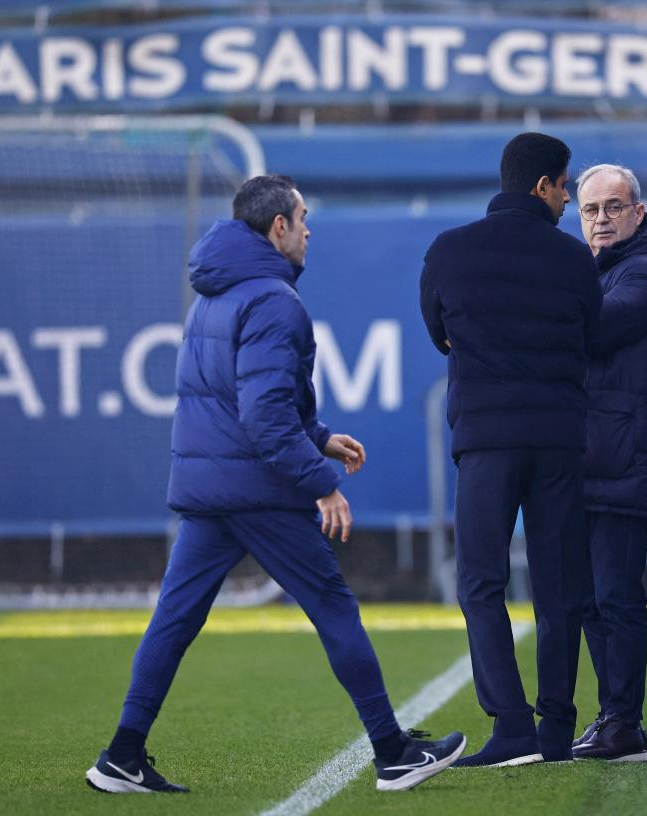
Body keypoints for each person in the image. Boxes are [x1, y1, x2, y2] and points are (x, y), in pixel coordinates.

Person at [85, 174, 465, 795]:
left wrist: (318, 438)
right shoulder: (273, 300)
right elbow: (261, 416)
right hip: (258, 489)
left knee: (174, 619)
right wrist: (321, 482)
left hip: (212, 486)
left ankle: (122, 755)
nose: (310, 229)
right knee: (334, 607)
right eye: (303, 217)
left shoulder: (214, 292)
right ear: (278, 227)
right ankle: (393, 752)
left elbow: (248, 401)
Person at [420, 133, 602, 767]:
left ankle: (512, 729)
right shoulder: (575, 259)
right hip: (557, 441)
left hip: (487, 440)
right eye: (564, 186)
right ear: (541, 187)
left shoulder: (449, 251)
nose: (568, 198)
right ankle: (556, 730)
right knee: (560, 590)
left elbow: (439, 332)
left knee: (481, 583)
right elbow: (592, 334)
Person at [569, 164, 647, 763]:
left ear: (639, 213)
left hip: (624, 458)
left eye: (614, 207)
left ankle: (625, 725)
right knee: (590, 598)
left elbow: (593, 330)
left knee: (615, 594)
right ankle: (612, 716)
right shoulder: (596, 273)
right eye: (591, 210)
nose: (602, 219)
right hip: (592, 459)